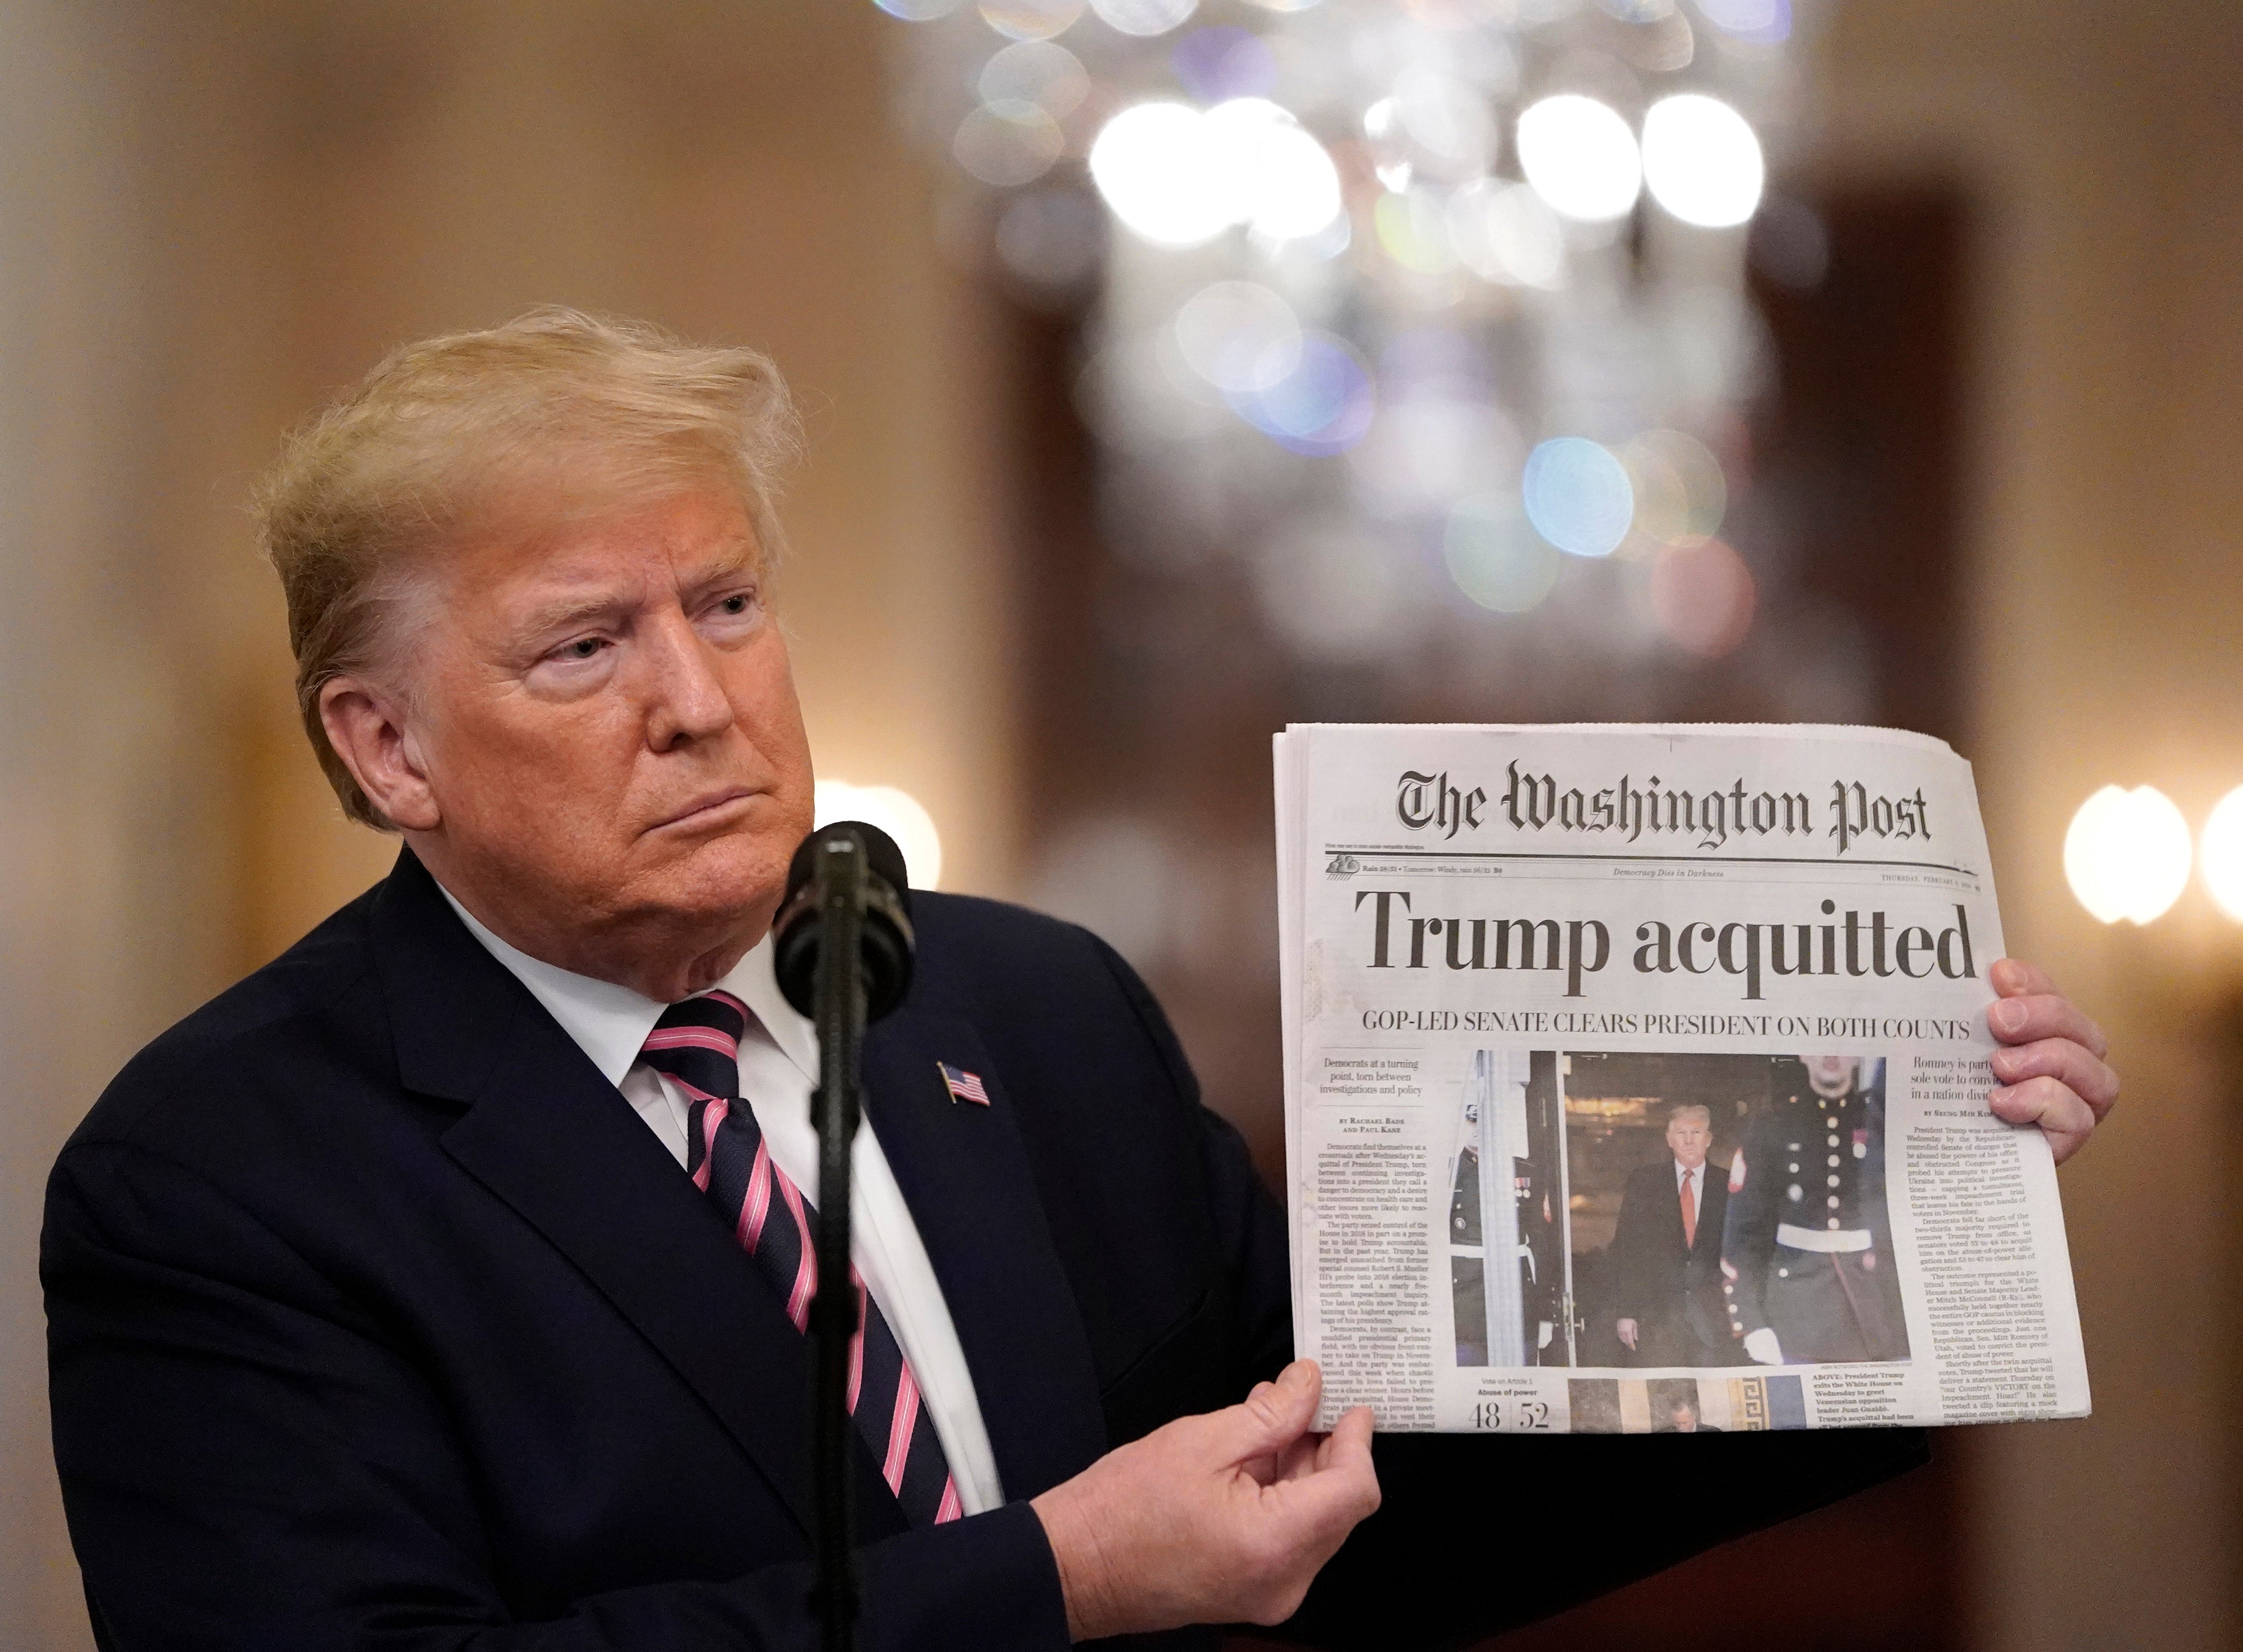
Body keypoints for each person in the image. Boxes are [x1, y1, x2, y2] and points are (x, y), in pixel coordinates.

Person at [43, 311, 2121, 1651]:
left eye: (732, 600)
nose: (698, 700)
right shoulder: (221, 1176)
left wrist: (1877, 1217)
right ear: (386, 747)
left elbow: (1362, 1491)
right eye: (584, 645)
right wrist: (1051, 1578)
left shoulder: (1024, 1010)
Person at [1722, 1056, 1912, 1365]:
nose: (1831, 1056)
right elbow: (1744, 1234)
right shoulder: (1772, 1126)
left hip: (1876, 1306)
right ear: (1802, 1055)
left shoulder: (1882, 1121)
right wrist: (1752, 1323)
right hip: (1795, 1309)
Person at [1611, 1104, 1739, 1368]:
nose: (1689, 1140)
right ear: (1669, 1139)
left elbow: (1743, 1254)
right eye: (1681, 1133)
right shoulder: (1644, 1183)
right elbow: (1626, 1250)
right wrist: (1626, 1312)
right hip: (1657, 1318)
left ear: (1709, 1139)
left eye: (1697, 1132)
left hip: (1715, 1321)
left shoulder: (1729, 1187)